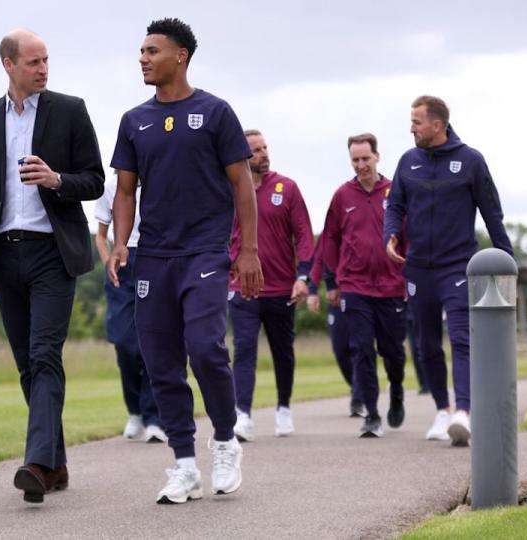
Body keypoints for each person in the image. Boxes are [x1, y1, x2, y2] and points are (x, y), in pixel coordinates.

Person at [0, 28, 104, 503]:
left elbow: (95, 179)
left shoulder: (70, 111)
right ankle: (56, 464)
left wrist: (56, 180)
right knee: (26, 367)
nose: (43, 69)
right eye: (33, 62)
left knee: (43, 356)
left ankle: (35, 463)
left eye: (47, 61)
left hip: (54, 253)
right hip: (4, 254)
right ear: (8, 65)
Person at [107, 18, 263, 504]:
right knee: (161, 363)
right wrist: (119, 243)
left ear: (181, 55)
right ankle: (182, 464)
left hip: (205, 251)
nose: (143, 58)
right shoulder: (135, 121)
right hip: (153, 256)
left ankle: (224, 440)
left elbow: (242, 183)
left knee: (205, 348)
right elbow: (127, 189)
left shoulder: (215, 113)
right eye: (141, 51)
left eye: (152, 51)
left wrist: (249, 250)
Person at [384, 95, 513, 446]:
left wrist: (507, 261)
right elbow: (394, 205)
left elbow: (492, 214)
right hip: (417, 269)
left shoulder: (470, 161)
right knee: (426, 344)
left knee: (460, 337)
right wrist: (390, 235)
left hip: (458, 265)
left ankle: (463, 413)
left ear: (437, 125)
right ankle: (442, 410)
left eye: (417, 122)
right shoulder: (407, 161)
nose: (411, 128)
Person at [228, 129, 314, 441]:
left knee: (282, 351)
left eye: (265, 147)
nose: (264, 153)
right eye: (256, 150)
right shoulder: (230, 190)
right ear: (243, 155)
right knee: (244, 349)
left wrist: (303, 276)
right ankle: (243, 415)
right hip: (242, 287)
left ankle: (283, 408)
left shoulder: (287, 188)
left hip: (281, 287)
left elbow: (304, 234)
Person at [321, 133, 407, 438]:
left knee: (392, 351)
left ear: (377, 157)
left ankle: (396, 388)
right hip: (354, 285)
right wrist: (332, 281)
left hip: (392, 285)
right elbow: (329, 239)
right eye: (355, 160)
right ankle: (371, 413)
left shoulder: (396, 192)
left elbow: (411, 235)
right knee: (361, 350)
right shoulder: (342, 196)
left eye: (365, 159)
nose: (361, 165)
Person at [94, 173, 166, 443]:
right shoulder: (110, 187)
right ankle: (134, 410)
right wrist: (108, 262)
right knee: (125, 344)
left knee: (152, 343)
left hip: (153, 259)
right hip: (121, 266)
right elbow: (101, 236)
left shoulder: (157, 181)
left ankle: (153, 418)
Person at [307, 249, 364, 417]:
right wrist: (312, 290)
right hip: (336, 302)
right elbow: (318, 262)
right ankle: (357, 387)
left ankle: (358, 398)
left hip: (360, 297)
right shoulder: (328, 234)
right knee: (340, 351)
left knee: (359, 349)